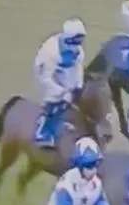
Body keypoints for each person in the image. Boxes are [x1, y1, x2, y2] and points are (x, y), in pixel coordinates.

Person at [32, 18, 87, 149]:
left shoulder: (78, 51)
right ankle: (43, 130)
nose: (77, 45)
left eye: (79, 41)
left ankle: (64, 119)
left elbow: (78, 68)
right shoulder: (51, 52)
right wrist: (61, 91)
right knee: (56, 99)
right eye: (75, 41)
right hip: (47, 73)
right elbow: (45, 78)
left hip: (64, 71)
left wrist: (78, 86)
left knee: (71, 96)